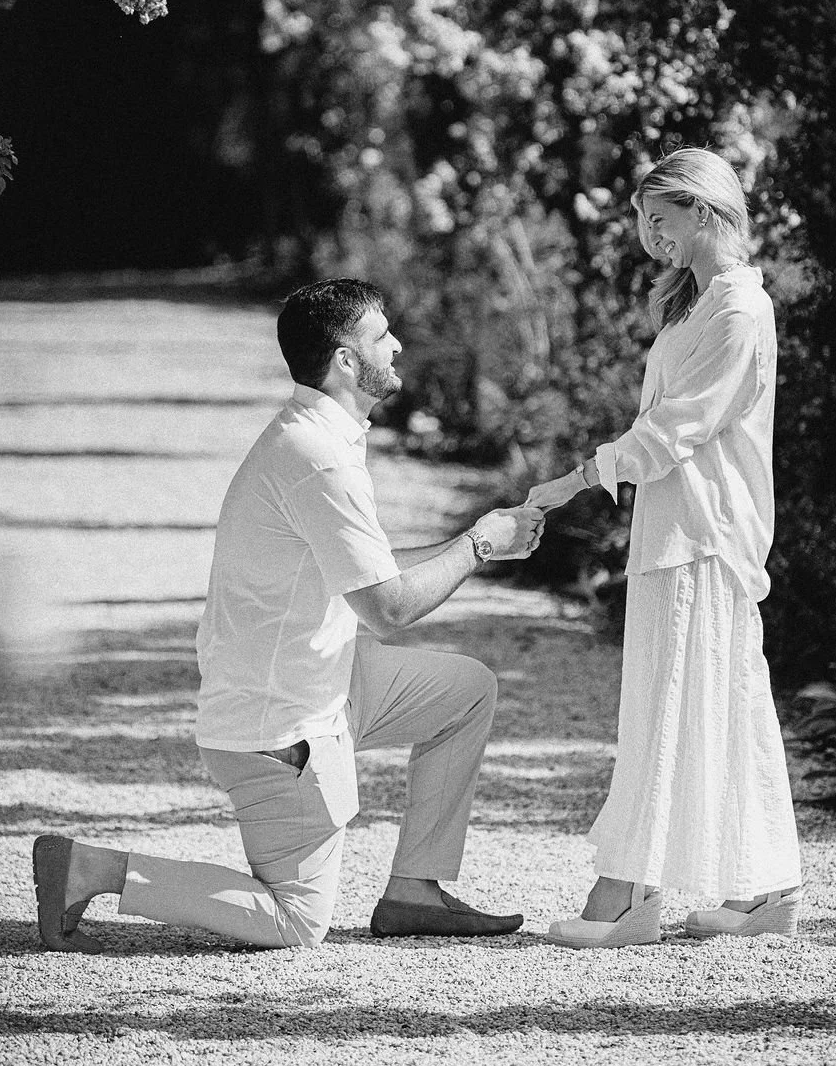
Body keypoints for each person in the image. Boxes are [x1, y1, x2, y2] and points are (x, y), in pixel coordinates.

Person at [33, 278, 544, 953]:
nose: (396, 345)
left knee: (465, 691)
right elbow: (389, 608)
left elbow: (365, 562)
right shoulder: (318, 456)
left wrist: (470, 547)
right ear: (345, 362)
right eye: (380, 336)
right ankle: (92, 869)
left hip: (325, 684)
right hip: (277, 727)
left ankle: (414, 890)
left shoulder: (316, 435)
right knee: (297, 921)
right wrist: (479, 545)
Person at [528, 147, 802, 949]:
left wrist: (581, 475)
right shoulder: (700, 303)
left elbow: (678, 428)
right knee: (719, 700)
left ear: (707, 209)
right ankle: (763, 888)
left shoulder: (738, 311)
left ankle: (627, 892)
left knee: (674, 700)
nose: (651, 236)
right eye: (643, 222)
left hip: (702, 534)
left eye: (661, 218)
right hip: (684, 527)